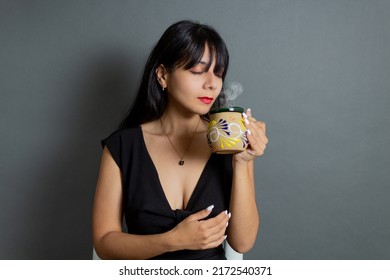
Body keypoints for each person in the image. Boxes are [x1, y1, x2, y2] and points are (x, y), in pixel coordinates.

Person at [92, 20, 268, 260]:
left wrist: (243, 162)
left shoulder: (229, 142)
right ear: (163, 75)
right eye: (197, 71)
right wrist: (173, 240)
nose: (211, 83)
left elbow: (243, 242)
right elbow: (104, 242)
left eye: (218, 73)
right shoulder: (123, 146)